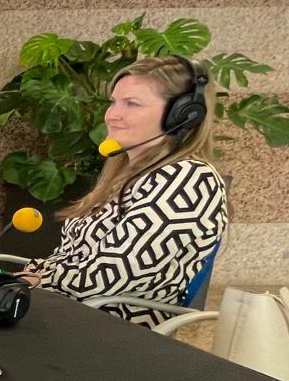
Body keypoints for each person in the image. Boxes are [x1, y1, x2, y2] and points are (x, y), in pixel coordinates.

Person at [19, 55, 227, 326]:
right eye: (113, 102)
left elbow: (113, 274)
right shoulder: (126, 173)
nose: (112, 115)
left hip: (110, 331)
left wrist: (39, 278)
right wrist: (32, 274)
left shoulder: (189, 178)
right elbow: (77, 259)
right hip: (65, 312)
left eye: (132, 104)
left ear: (183, 115)